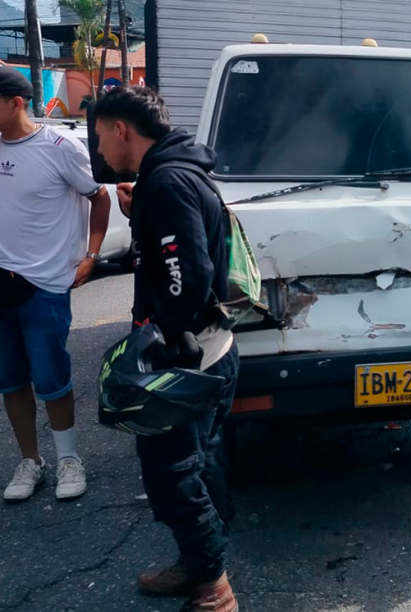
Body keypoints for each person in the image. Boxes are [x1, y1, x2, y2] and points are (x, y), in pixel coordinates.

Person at [93, 86, 240, 612]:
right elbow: (177, 255)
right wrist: (141, 216)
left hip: (189, 355)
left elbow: (189, 275)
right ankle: (200, 563)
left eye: (101, 136)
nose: (101, 150)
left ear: (123, 130)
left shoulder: (168, 182)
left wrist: (161, 339)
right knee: (200, 463)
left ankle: (213, 588)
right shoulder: (177, 174)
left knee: (172, 474)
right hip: (212, 346)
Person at [0, 67, 111, 502]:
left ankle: (68, 458)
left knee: (51, 378)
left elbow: (98, 196)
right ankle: (31, 460)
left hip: (45, 284)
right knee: (10, 381)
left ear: (16, 103)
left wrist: (92, 254)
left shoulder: (59, 147)